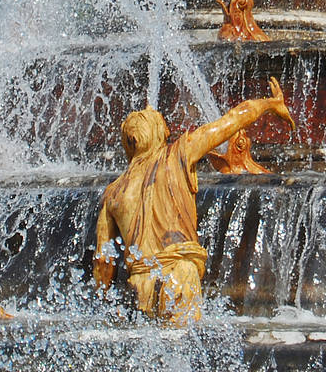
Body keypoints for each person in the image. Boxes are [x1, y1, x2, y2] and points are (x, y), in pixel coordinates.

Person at [93, 81, 294, 323]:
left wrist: (103, 303)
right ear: (162, 133)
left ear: (129, 142)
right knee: (181, 348)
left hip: (139, 284)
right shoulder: (178, 154)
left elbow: (103, 261)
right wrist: (270, 104)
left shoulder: (113, 192)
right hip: (179, 274)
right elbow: (232, 120)